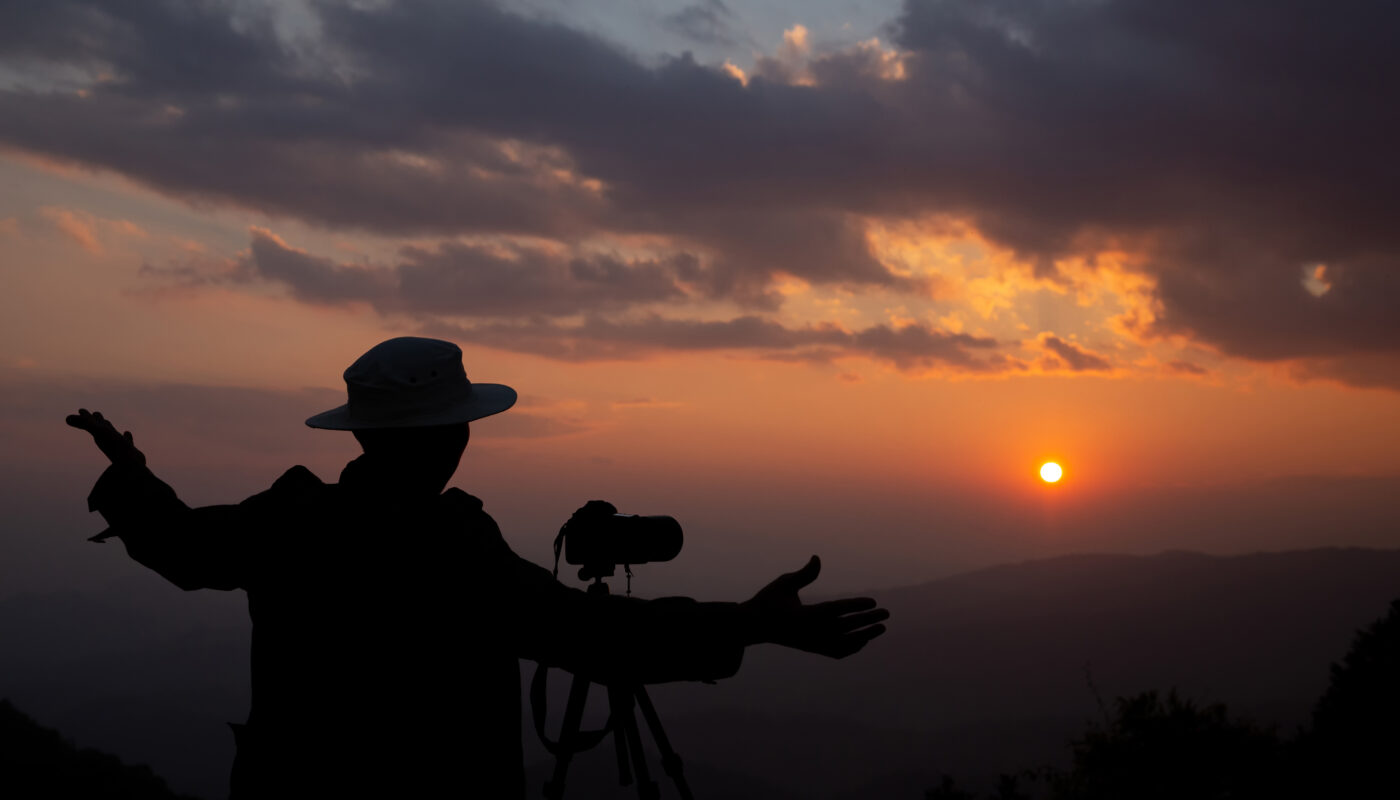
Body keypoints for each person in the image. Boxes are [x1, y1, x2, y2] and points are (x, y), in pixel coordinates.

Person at [66, 337, 889, 799]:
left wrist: (129, 474)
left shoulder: (291, 518)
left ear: (360, 433)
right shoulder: (450, 549)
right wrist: (753, 624)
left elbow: (180, 546)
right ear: (451, 436)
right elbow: (592, 633)